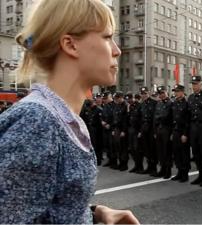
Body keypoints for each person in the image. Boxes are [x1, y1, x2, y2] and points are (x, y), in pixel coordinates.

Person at [0, 0, 139, 224]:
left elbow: (44, 207)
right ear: (71, 45)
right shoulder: (37, 122)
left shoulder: (61, 118)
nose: (117, 50)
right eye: (106, 37)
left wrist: (94, 214)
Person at [171, 84, 191, 182]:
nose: (176, 93)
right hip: (175, 131)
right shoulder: (174, 103)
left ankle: (185, 174)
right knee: (176, 153)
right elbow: (172, 119)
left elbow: (188, 120)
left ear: (182, 92)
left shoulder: (186, 103)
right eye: (175, 91)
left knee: (184, 153)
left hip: (183, 132)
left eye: (177, 91)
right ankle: (179, 172)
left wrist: (185, 134)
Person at [153, 86, 173, 179]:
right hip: (159, 129)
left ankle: (168, 170)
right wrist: (155, 131)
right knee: (160, 151)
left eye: (163, 93)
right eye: (160, 93)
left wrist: (172, 133)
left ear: (166, 92)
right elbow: (155, 118)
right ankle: (162, 169)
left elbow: (171, 118)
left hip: (167, 129)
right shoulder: (159, 103)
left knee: (167, 151)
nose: (161, 95)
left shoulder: (171, 103)